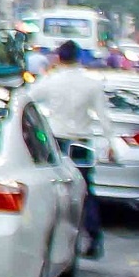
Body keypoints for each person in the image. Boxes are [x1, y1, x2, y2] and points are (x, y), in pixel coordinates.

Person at [22, 39, 113, 258]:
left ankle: (55, 237)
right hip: (80, 143)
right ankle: (93, 239)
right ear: (78, 57)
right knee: (85, 192)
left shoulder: (51, 81)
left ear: (58, 57)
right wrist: (110, 143)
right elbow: (104, 117)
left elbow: (26, 98)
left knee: (54, 190)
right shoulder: (91, 84)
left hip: (56, 142)